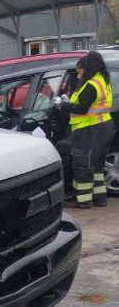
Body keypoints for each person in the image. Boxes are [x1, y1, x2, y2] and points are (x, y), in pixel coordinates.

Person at [54, 51, 114, 208]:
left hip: (90, 128)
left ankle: (83, 201)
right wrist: (69, 101)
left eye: (79, 71)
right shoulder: (102, 80)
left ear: (87, 68)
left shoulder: (91, 85)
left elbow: (82, 108)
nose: (78, 75)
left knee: (82, 165)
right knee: (97, 166)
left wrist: (63, 104)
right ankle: (100, 199)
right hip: (103, 127)